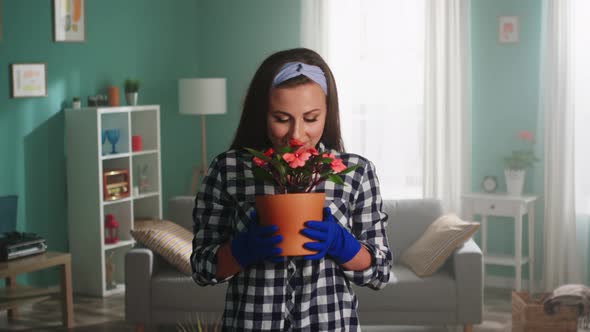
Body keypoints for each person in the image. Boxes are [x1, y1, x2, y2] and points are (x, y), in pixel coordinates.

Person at [191, 48, 392, 331]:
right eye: (282, 119)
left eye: (311, 118)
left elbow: (380, 273)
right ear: (262, 113)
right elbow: (202, 268)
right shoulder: (229, 169)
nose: (297, 135)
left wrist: (341, 244)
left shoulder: (356, 172)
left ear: (328, 112)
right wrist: (244, 248)